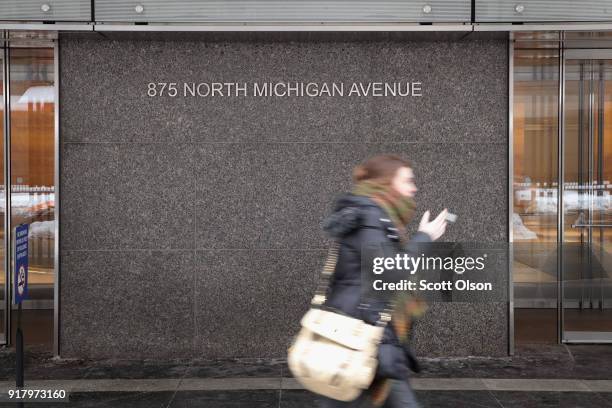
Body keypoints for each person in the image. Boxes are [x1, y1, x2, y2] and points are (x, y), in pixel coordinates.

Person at [318, 154, 448, 408]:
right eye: (408, 180)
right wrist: (424, 237)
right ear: (387, 182)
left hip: (367, 331)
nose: (414, 187)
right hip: (363, 333)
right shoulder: (370, 216)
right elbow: (388, 271)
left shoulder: (374, 215)